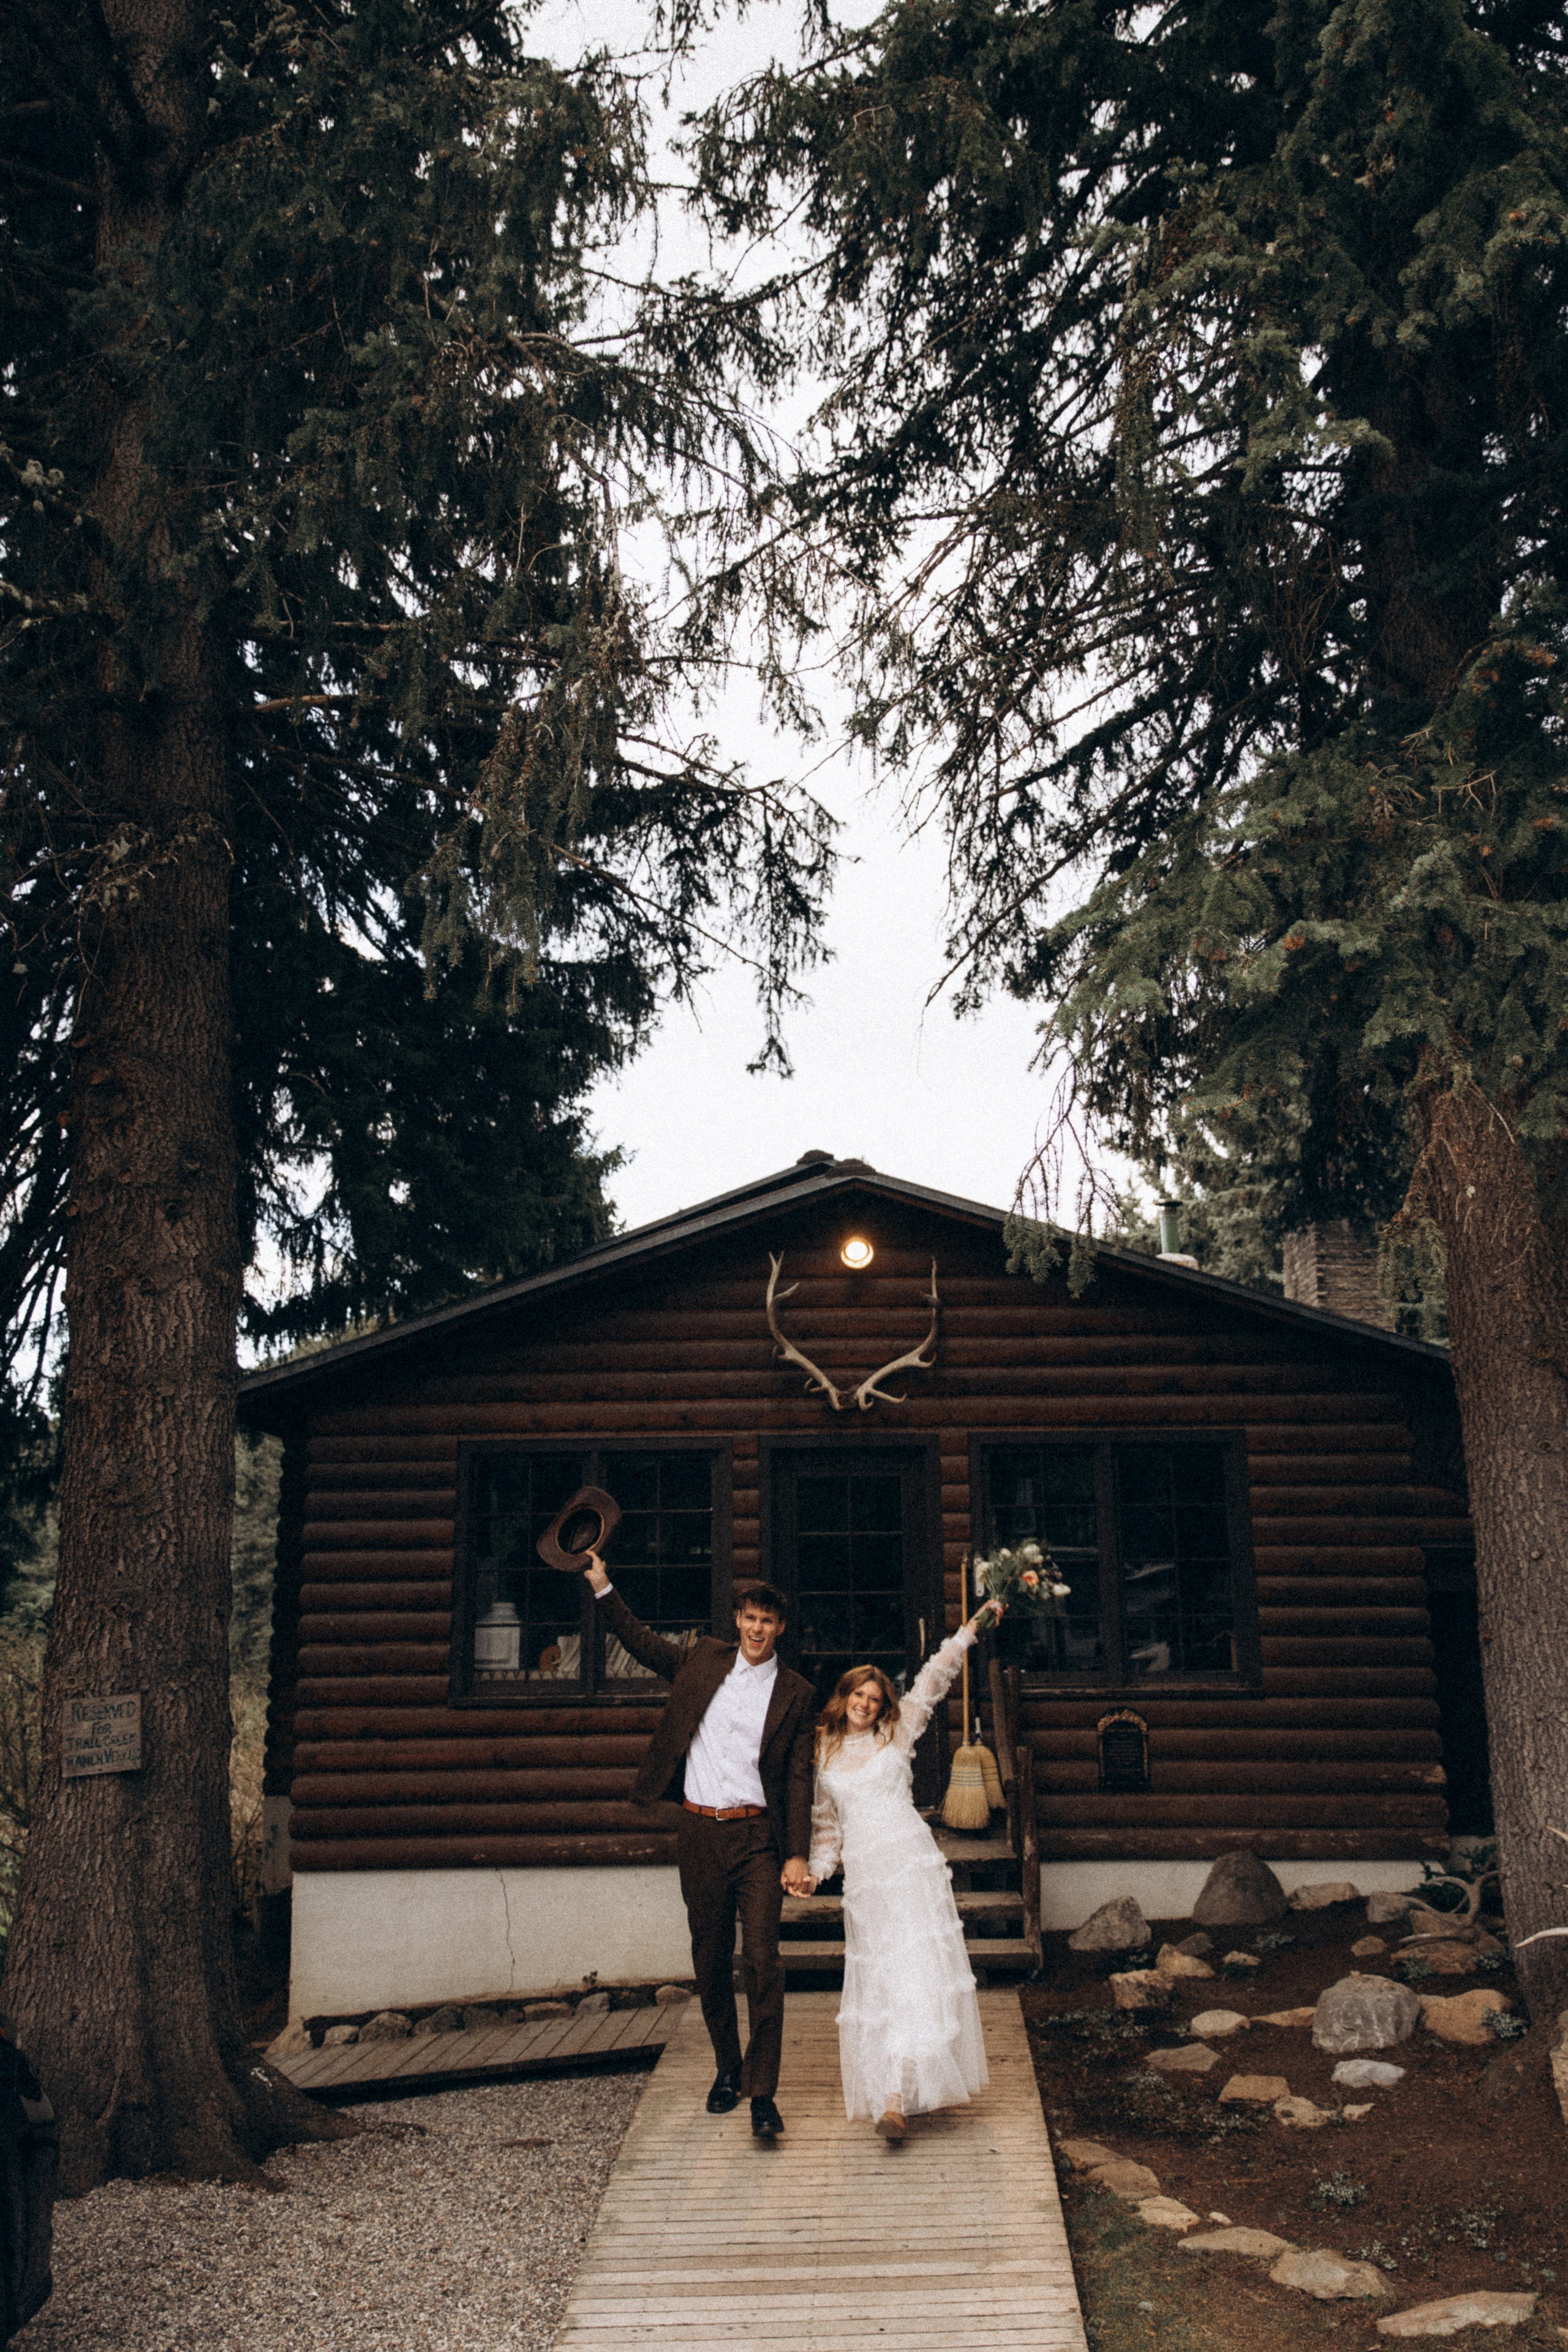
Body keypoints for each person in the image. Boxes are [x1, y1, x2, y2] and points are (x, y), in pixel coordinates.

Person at [582, 1555, 815, 2143]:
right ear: (737, 1620)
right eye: (750, 1618)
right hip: (700, 1833)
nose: (758, 1629)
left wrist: (796, 1854)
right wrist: (602, 1583)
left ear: (780, 1628)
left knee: (763, 1961)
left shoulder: (796, 1693)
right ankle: (727, 2069)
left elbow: (796, 1778)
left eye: (768, 1621)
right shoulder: (702, 1661)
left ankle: (763, 2093)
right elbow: (638, 1642)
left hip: (759, 1838)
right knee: (709, 1957)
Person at [804, 1596, 1005, 2141]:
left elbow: (933, 1679)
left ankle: (895, 2099)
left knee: (915, 1973)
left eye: (875, 1698)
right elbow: (827, 1831)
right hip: (867, 1879)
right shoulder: (824, 1755)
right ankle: (895, 2089)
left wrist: (970, 1629)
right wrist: (815, 1874)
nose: (866, 1705)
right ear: (843, 1699)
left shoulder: (898, 1733)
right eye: (858, 1696)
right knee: (883, 1979)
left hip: (911, 1866)